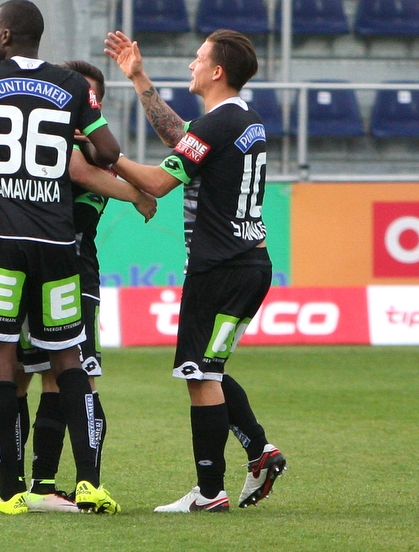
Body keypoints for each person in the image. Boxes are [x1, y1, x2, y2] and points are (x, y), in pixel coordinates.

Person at [0, 61, 156, 513]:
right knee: (30, 375)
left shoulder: (69, 149)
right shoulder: (64, 143)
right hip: (53, 263)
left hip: (24, 262)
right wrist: (137, 192)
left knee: (17, 373)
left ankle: (29, 485)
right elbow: (89, 170)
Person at [104, 28, 287, 513]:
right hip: (252, 264)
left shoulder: (216, 125)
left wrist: (108, 155)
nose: (191, 64)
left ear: (217, 71)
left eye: (198, 58)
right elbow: (183, 139)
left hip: (217, 267)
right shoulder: (244, 120)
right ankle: (259, 449)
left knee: (199, 373)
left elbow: (161, 182)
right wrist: (139, 78)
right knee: (212, 367)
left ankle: (209, 493)